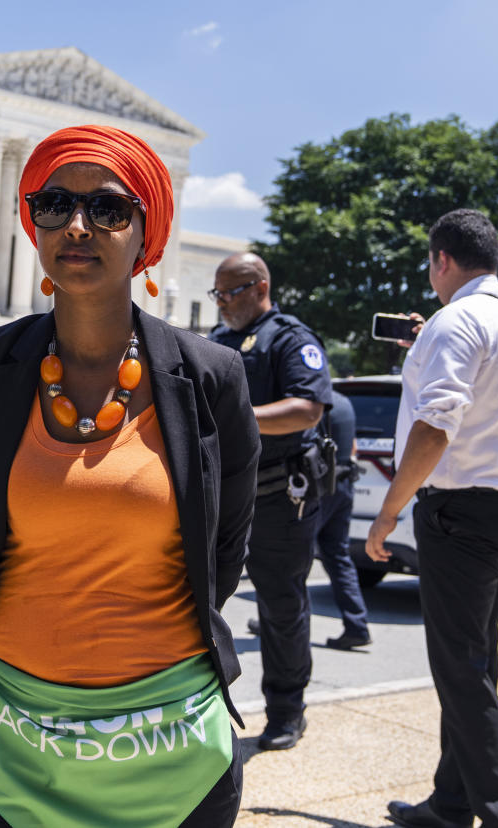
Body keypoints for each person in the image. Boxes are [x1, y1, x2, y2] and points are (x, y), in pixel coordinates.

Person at [0, 125, 261, 827]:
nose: (77, 226)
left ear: (147, 234)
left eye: (109, 209)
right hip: (4, 740)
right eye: (54, 205)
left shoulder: (213, 376)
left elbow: (223, 551)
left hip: (170, 746)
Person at [366, 209, 498, 828]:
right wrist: (426, 344)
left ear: (442, 259)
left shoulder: (457, 321)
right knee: (473, 661)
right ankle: (452, 802)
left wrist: (389, 513)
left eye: (429, 264)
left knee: (461, 671)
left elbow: (435, 425)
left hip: (462, 511)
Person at [207, 252, 331, 751]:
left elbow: (307, 407)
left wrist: (242, 415)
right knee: (201, 603)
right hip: (224, 497)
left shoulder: (288, 338)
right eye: (216, 294)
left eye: (228, 293)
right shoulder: (218, 342)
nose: (220, 304)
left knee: (280, 606)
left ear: (259, 287)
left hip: (281, 496)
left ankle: (286, 711)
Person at [316, 389, 371, 650]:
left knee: (291, 560)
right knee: (338, 555)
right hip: (344, 484)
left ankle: (281, 619)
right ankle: (357, 624)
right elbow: (353, 446)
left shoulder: (315, 403)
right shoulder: (345, 402)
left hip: (319, 487)